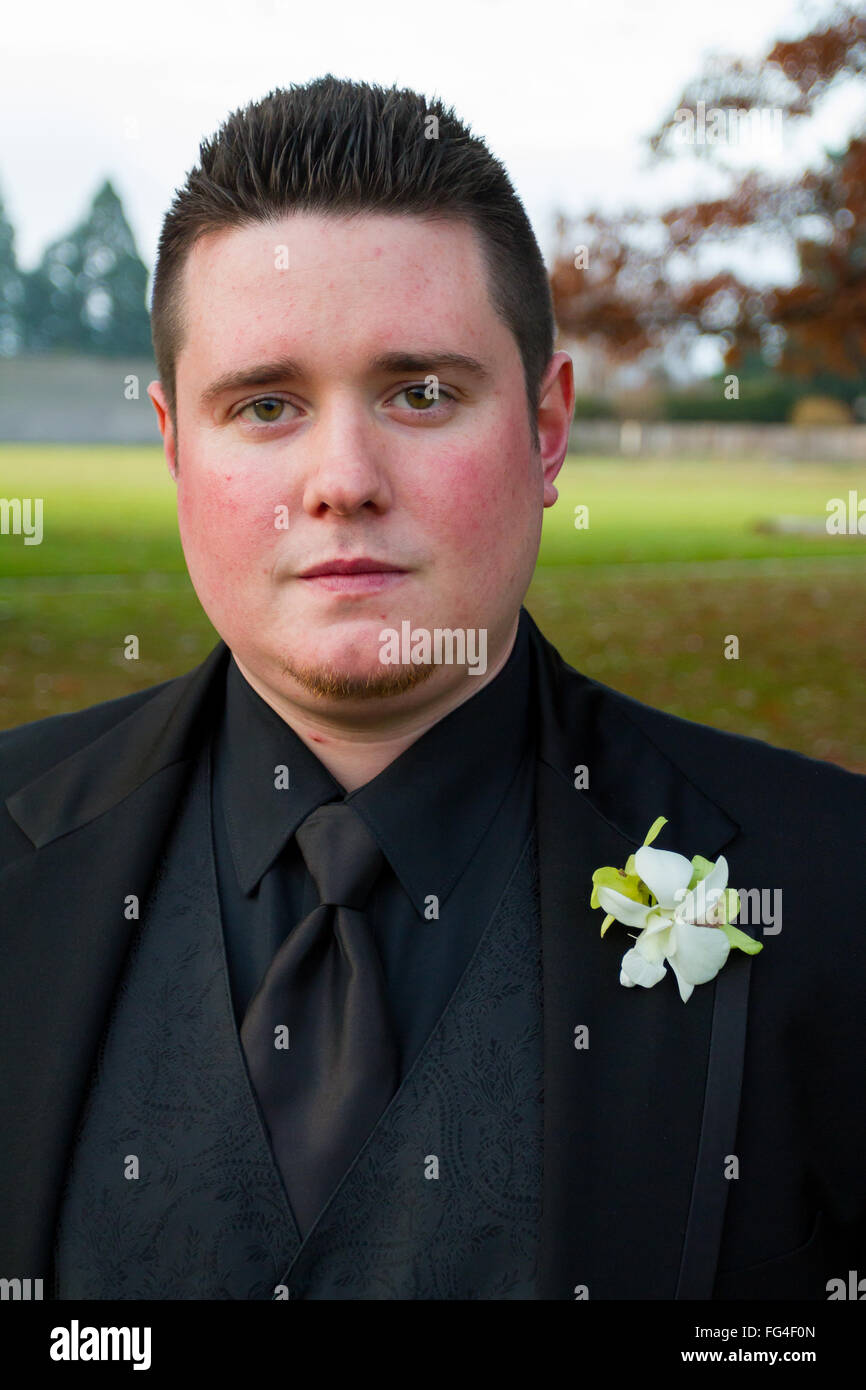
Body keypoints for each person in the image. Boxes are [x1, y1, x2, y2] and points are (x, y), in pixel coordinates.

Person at [1, 74, 864, 1302]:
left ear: (546, 430)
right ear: (174, 448)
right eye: (265, 404)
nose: (343, 478)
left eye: (420, 393)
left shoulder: (830, 888)